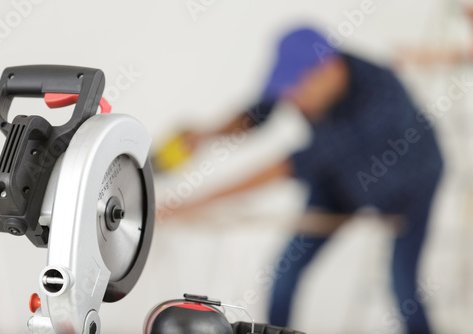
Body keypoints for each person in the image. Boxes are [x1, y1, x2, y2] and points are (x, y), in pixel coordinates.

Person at [166, 27, 443, 333]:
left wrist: (193, 203)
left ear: (330, 70)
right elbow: (258, 114)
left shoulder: (378, 100)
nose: (293, 102)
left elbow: (283, 168)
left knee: (403, 285)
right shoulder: (309, 81)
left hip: (410, 189)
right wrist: (207, 134)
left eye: (298, 92)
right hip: (341, 180)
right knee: (286, 272)